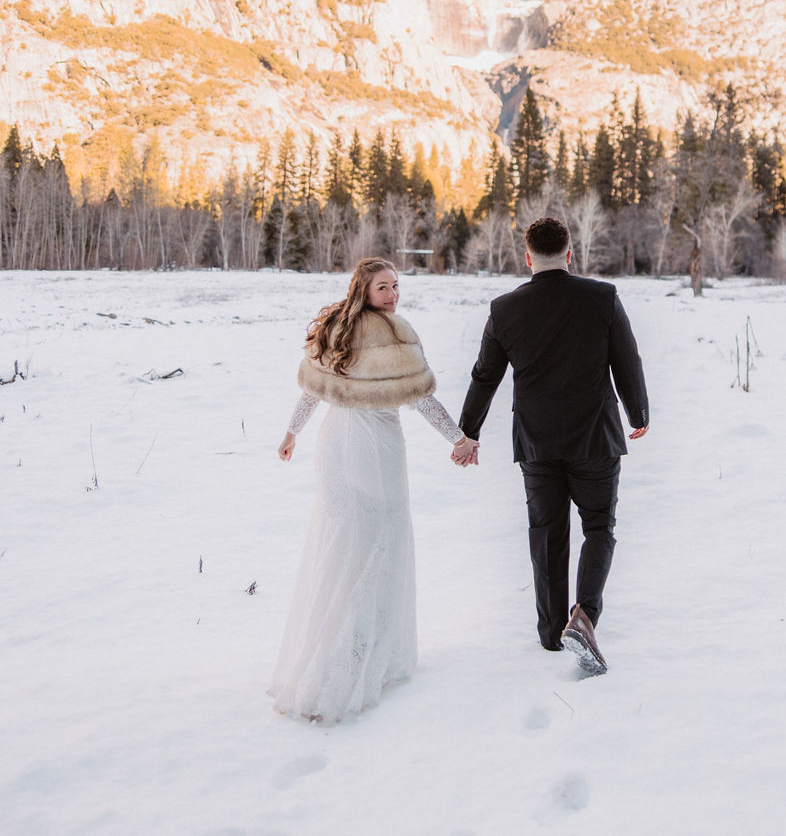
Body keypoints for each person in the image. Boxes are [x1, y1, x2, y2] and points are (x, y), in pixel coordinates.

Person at [270, 258, 476, 723]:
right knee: (375, 546)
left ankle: (331, 652)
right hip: (374, 450)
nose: (394, 294)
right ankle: (355, 657)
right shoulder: (393, 333)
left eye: (397, 286)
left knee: (342, 543)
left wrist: (294, 433)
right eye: (384, 287)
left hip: (335, 444)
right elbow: (421, 396)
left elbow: (314, 390)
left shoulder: (337, 329)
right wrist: (459, 439)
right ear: (363, 290)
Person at [455, 217, 648, 674]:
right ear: (569, 253)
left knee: (546, 534)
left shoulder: (505, 309)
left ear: (527, 258)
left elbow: (486, 375)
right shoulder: (602, 297)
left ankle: (549, 635)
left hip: (537, 442)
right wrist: (638, 414)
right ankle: (583, 618)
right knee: (598, 527)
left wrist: (469, 432)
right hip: (595, 438)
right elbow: (627, 358)